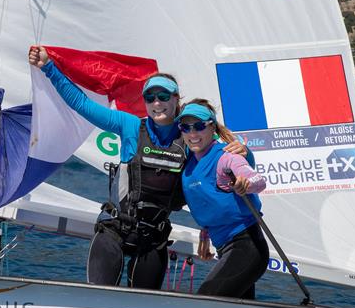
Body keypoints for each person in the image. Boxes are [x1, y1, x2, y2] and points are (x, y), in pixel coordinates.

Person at [28, 46, 250, 289]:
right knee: (98, 297)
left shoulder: (189, 136)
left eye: (164, 96)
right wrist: (49, 67)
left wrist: (246, 154)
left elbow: (222, 169)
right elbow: (80, 103)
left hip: (153, 240)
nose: (157, 103)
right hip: (114, 231)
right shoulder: (131, 126)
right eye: (150, 97)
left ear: (176, 99)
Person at [176, 99, 269, 300]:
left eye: (199, 126)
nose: (192, 134)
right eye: (185, 127)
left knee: (206, 304)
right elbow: (211, 201)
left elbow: (258, 180)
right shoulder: (191, 160)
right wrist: (205, 234)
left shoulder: (226, 156)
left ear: (212, 128)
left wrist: (246, 183)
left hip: (247, 247)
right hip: (225, 247)